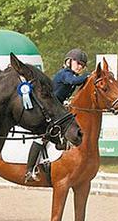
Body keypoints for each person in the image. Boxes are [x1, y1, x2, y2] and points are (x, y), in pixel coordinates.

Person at [24, 48, 89, 182]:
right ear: (69, 62)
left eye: (83, 65)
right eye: (78, 63)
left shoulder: (72, 76)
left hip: (56, 110)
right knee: (41, 137)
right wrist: (89, 76)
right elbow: (73, 81)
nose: (80, 66)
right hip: (46, 110)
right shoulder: (65, 74)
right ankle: (30, 170)